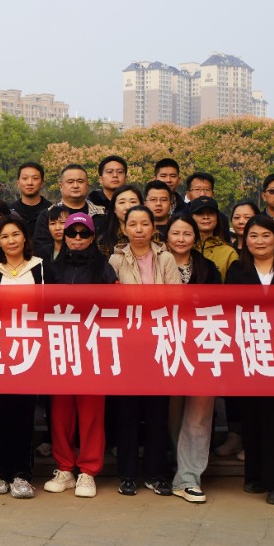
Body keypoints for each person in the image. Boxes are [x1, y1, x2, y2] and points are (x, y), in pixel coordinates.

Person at [225, 214, 274, 505]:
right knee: (251, 416)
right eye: (253, 236)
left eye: (265, 235)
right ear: (245, 240)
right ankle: (255, 476)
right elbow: (228, 310)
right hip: (248, 352)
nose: (259, 241)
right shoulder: (237, 271)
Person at [108, 205, 181, 498]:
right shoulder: (115, 260)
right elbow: (111, 301)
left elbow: (176, 299)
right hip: (127, 346)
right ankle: (127, 474)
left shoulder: (166, 258)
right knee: (127, 412)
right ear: (124, 228)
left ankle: (156, 474)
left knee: (157, 412)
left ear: (153, 228)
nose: (139, 230)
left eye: (144, 224)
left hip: (159, 342)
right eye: (133, 224)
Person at [42, 211, 113, 499]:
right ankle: (65, 468)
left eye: (84, 234)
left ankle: (88, 471)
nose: (78, 238)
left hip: (93, 348)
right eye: (72, 233)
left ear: (93, 237)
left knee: (91, 411)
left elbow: (115, 306)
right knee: (61, 412)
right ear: (64, 235)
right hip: (60, 347)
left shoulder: (104, 268)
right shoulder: (52, 268)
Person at [0, 214, 43, 499]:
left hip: (31, 351)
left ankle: (21, 474)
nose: (11, 241)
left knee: (23, 414)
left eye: (15, 234)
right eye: (4, 236)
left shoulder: (42, 269)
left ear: (25, 237)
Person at [185, 198, 237, 277]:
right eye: (200, 213)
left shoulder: (229, 253)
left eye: (211, 213)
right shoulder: (183, 248)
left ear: (217, 217)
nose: (206, 217)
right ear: (191, 217)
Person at [95, 185, 143, 256]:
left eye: (133, 202)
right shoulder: (104, 240)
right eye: (122, 202)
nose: (127, 207)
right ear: (114, 209)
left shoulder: (153, 234)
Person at [90, 155, 128, 220]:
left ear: (126, 178)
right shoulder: (91, 203)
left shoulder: (133, 202)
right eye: (109, 172)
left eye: (120, 172)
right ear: (100, 179)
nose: (115, 175)